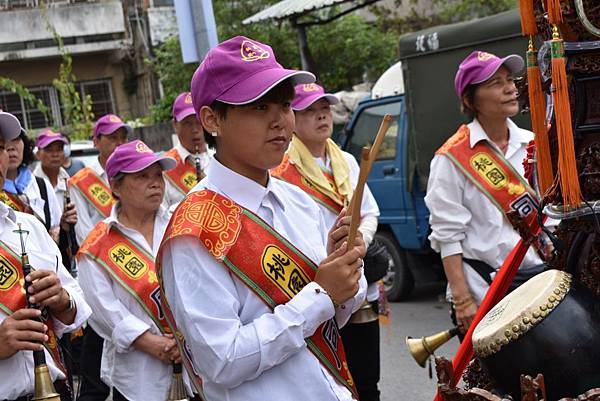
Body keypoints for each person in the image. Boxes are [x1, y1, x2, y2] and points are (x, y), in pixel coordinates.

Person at [158, 36, 367, 401]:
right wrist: (320, 294)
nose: (279, 121)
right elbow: (221, 361)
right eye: (257, 107)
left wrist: (345, 270)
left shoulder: (298, 201)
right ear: (211, 119)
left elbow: (331, 318)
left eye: (284, 105)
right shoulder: (193, 230)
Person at [272, 82, 382, 401]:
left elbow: (370, 213)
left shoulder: (346, 160)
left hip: (356, 281)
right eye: (310, 111)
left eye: (325, 110)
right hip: (314, 285)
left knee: (367, 378)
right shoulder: (281, 171)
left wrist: (357, 244)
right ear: (292, 118)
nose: (322, 117)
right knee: (328, 375)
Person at [424, 51, 545, 334]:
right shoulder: (450, 158)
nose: (510, 88)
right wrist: (463, 299)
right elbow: (447, 235)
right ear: (470, 100)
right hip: (485, 288)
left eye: (509, 80)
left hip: (538, 281)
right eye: (494, 83)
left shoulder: (533, 144)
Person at [77, 140, 192, 400]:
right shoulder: (97, 246)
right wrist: (153, 343)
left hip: (194, 366)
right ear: (115, 186)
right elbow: (104, 311)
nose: (155, 184)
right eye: (142, 177)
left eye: (158, 176)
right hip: (138, 379)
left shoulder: (180, 224)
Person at [0, 111, 91, 400]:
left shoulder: (26, 225)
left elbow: (77, 308)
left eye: (1, 147)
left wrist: (63, 301)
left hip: (56, 390)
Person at [68, 113, 129, 401]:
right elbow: (84, 234)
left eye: (122, 137)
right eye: (112, 137)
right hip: (101, 272)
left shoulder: (133, 173)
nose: (119, 143)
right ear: (97, 141)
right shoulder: (82, 181)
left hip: (134, 277)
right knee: (94, 367)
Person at [4, 128, 62, 239]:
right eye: (2, 141)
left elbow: (56, 225)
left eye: (16, 139)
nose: (10, 147)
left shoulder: (42, 185)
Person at [163, 92, 212, 207]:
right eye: (187, 123)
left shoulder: (221, 157)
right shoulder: (167, 166)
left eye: (198, 122)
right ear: (175, 124)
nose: (195, 129)